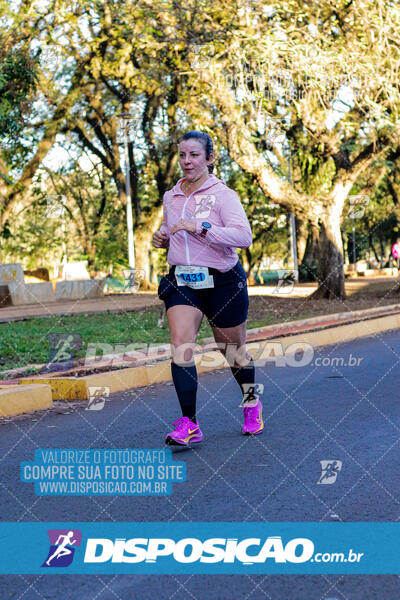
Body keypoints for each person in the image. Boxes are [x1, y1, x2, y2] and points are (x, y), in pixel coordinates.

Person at [152, 130, 263, 446]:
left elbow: (243, 237)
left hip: (223, 281)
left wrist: (202, 227)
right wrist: (161, 237)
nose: (187, 161)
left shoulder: (224, 195)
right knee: (181, 344)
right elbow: (170, 230)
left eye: (194, 155)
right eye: (182, 155)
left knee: (233, 351)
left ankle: (251, 402)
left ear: (210, 159)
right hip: (183, 280)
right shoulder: (171, 196)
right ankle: (189, 423)